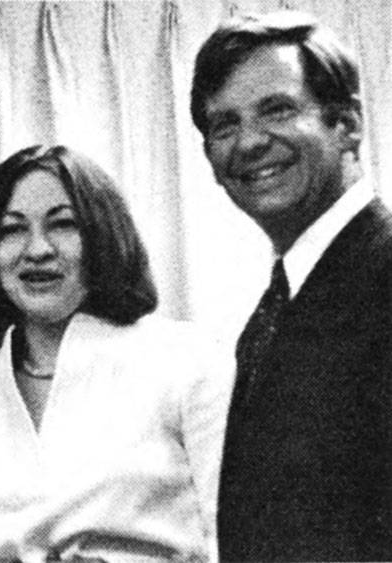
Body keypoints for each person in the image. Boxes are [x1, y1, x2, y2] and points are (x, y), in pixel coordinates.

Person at [0, 145, 232, 562]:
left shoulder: (187, 361)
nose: (37, 249)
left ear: (103, 237)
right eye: (11, 229)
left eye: (63, 225)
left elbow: (241, 540)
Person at [190, 11, 392, 561]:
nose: (249, 142)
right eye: (223, 124)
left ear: (348, 123)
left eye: (276, 110)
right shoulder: (279, 301)